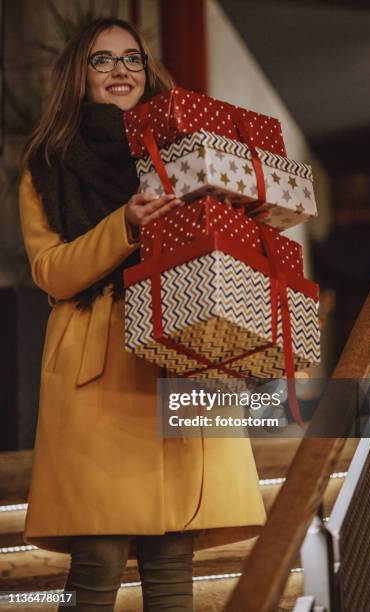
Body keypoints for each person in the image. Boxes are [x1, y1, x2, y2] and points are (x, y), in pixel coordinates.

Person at [19, 17, 266, 611]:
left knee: (173, 556)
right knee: (97, 558)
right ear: (79, 73)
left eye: (131, 58)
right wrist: (124, 225)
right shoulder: (48, 163)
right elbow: (51, 271)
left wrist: (243, 210)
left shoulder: (189, 151)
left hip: (185, 351)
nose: (121, 70)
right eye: (103, 60)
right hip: (100, 366)